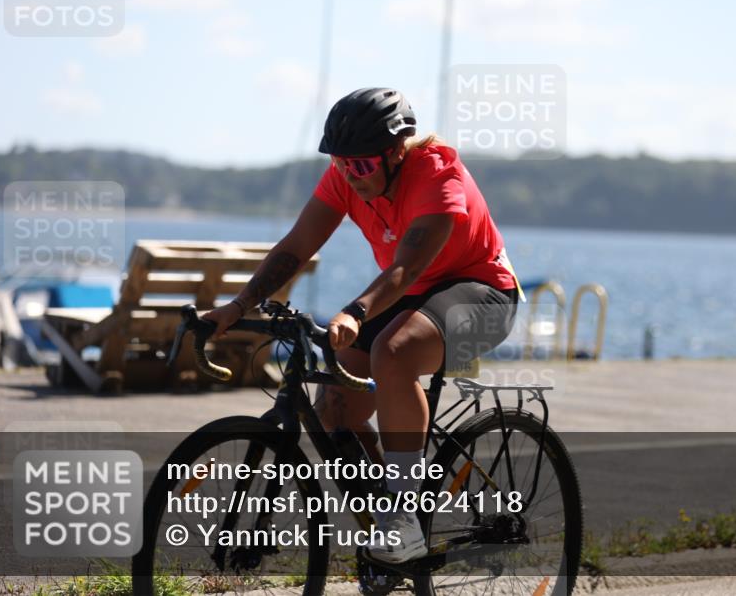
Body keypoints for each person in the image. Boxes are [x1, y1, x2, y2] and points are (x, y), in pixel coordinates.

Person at [203, 87, 521, 562]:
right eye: (342, 164)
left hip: (482, 291)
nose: (352, 176)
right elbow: (296, 245)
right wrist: (240, 305)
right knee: (333, 410)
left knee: (393, 352)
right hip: (407, 297)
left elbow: (406, 269)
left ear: (396, 151)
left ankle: (403, 519)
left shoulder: (437, 173)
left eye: (363, 165)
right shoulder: (345, 177)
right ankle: (389, 522)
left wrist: (354, 312)